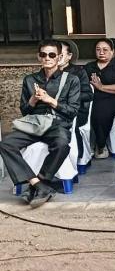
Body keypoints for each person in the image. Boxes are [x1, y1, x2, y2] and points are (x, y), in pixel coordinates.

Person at [0, 40, 81, 204]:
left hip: (57, 125)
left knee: (62, 145)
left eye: (51, 55)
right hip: (34, 125)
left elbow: (72, 111)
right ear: (39, 57)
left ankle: (41, 182)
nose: (47, 58)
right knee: (6, 144)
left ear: (59, 58)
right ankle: (37, 184)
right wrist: (33, 100)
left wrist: (50, 100)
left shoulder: (71, 80)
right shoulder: (30, 80)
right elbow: (25, 111)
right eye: (43, 54)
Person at [84, 38, 115, 159]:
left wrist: (102, 87)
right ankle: (86, 145)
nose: (101, 52)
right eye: (98, 49)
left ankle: (101, 144)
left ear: (112, 51)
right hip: (94, 97)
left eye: (105, 50)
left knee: (101, 111)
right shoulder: (89, 67)